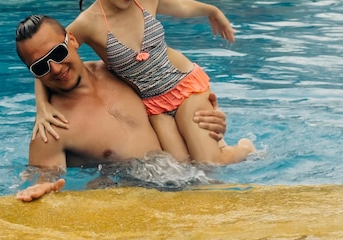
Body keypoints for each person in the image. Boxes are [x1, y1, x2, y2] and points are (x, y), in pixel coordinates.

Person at [33, 0, 254, 164]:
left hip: (185, 85)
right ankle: (218, 145)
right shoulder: (87, 24)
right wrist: (42, 107)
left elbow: (181, 6)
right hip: (152, 105)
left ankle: (245, 148)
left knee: (209, 163)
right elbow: (47, 61)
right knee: (181, 170)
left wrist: (213, 11)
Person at [14, 15, 233, 202]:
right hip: (142, 199)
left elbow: (172, 101)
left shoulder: (122, 72)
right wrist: (41, 187)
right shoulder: (52, 128)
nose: (55, 68)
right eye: (40, 66)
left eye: (58, 53)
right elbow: (43, 179)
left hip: (190, 177)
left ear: (72, 39)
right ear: (32, 72)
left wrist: (214, 129)